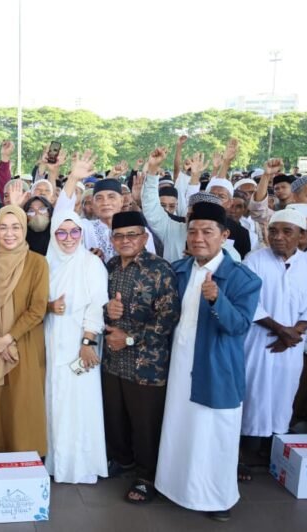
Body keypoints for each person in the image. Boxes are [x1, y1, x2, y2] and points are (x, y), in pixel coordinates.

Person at [155, 202, 262, 522]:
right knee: (181, 428)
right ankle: (175, 487)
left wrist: (217, 299)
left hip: (216, 370)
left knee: (216, 435)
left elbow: (240, 326)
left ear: (224, 235)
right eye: (192, 231)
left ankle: (218, 497)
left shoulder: (243, 278)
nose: (198, 238)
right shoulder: (180, 269)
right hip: (180, 368)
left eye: (207, 231)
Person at [103, 210, 180, 503]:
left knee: (145, 424)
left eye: (132, 234)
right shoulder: (109, 267)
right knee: (116, 417)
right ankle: (121, 461)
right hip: (113, 361)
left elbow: (168, 319)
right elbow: (98, 305)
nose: (125, 240)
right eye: (119, 235)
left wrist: (130, 338)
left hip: (147, 365)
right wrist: (106, 310)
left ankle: (147, 477)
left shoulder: (159, 269)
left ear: (145, 237)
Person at [241, 209, 307, 446]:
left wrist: (293, 333)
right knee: (253, 393)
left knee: (283, 393)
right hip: (258, 342)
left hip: (291, 345)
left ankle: (271, 448)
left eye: (287, 231)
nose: (278, 237)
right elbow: (247, 301)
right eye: (273, 231)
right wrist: (280, 329)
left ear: (301, 235)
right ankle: (244, 450)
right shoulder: (254, 260)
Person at [0, 205, 48, 456]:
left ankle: (25, 462)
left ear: (24, 229)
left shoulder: (37, 262)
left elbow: (37, 309)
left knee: (22, 403)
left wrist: (8, 339)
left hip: (24, 343)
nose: (9, 234)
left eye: (16, 227)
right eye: (3, 227)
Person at [43, 209, 109, 483]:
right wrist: (48, 307)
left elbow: (95, 306)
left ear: (82, 234)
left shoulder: (91, 264)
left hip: (81, 342)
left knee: (80, 403)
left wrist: (87, 342)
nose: (68, 238)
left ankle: (80, 465)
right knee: (54, 400)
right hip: (51, 338)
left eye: (74, 232)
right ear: (53, 234)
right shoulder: (47, 263)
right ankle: (55, 462)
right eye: (61, 231)